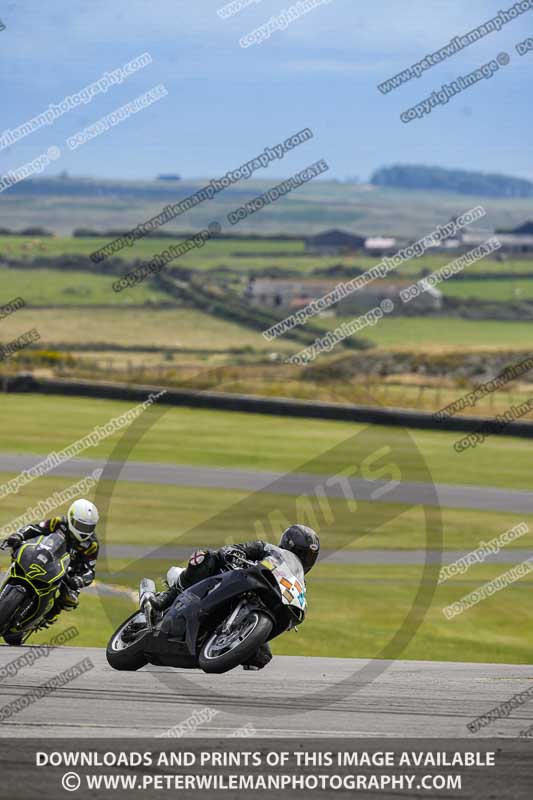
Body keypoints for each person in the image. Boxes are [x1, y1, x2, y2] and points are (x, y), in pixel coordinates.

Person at [153, 524, 320, 670]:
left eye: (309, 557)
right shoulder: (270, 549)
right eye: (301, 553)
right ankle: (167, 597)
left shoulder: (297, 581)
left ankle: (220, 644)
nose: (305, 559)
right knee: (204, 557)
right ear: (288, 545)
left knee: (262, 658)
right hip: (231, 578)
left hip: (254, 602)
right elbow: (247, 547)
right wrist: (232, 551)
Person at [5, 499, 100, 627]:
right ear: (71, 518)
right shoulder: (59, 522)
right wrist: (19, 536)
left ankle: (50, 616)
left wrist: (79, 580)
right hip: (47, 556)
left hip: (70, 573)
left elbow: (90, 571)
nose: (84, 531)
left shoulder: (92, 544)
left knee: (69, 600)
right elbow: (36, 528)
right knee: (18, 554)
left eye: (88, 528)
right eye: (81, 526)